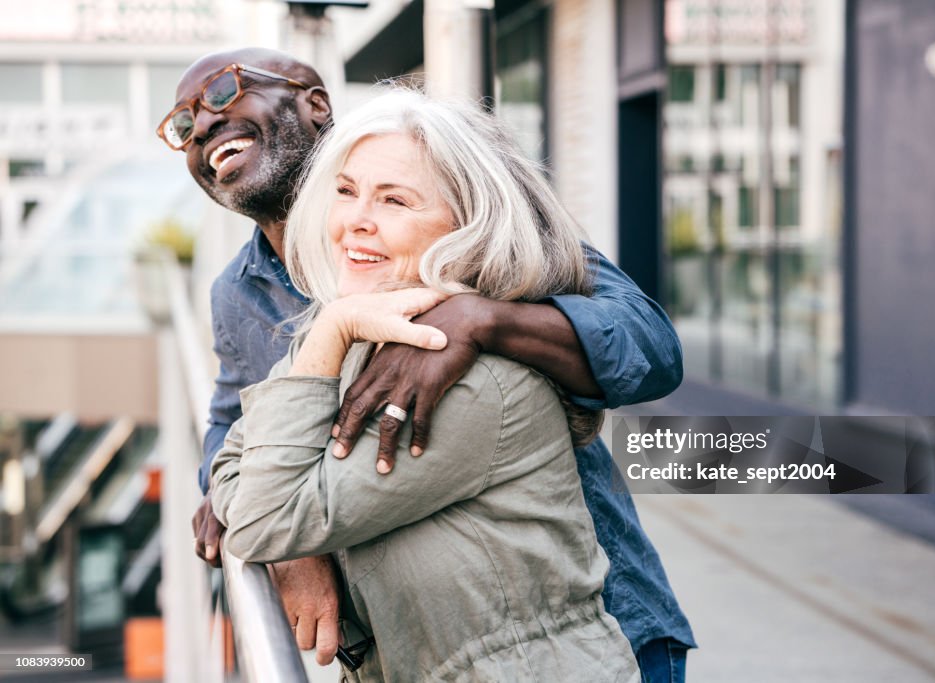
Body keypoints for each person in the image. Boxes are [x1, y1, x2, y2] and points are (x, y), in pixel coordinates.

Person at [161, 48, 694, 678]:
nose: (203, 125)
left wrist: (482, 320)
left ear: (315, 104)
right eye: (183, 123)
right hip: (416, 645)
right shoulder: (239, 292)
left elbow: (651, 350)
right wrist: (286, 548)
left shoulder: (473, 226)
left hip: (588, 619)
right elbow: (234, 429)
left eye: (223, 93)